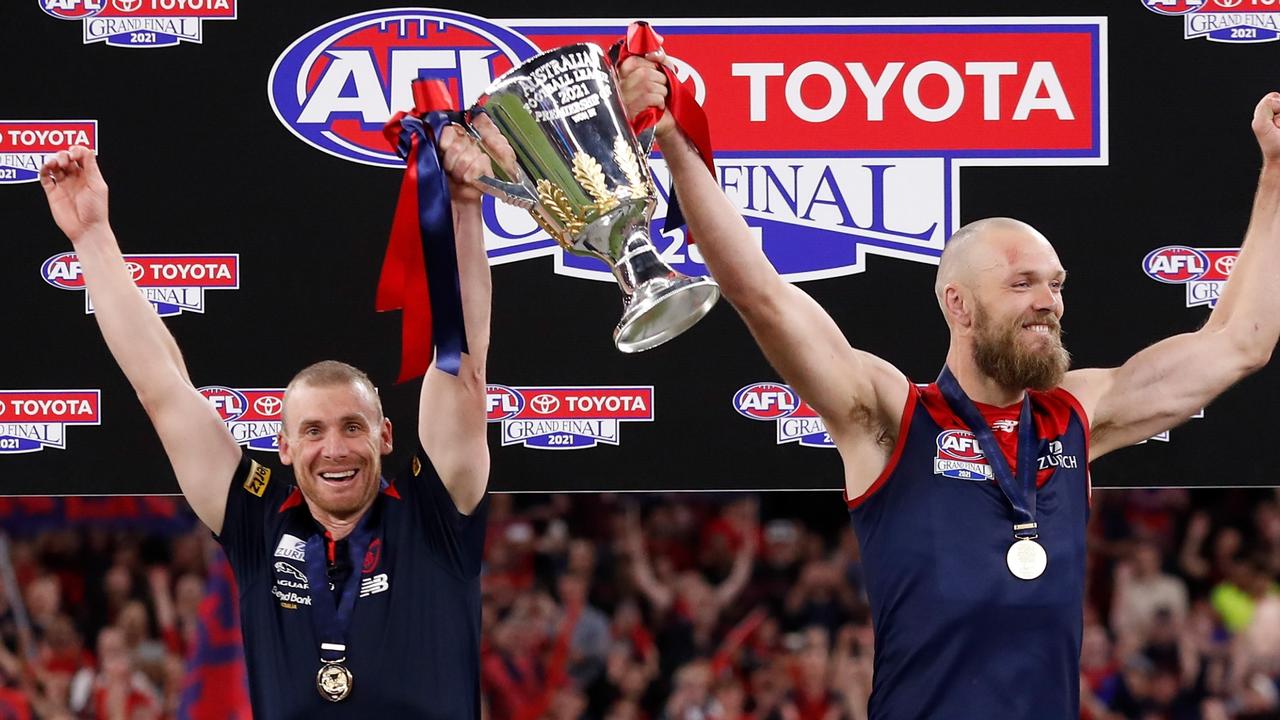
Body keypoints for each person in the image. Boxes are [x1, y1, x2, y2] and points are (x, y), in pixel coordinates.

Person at [619, 54, 1280, 718]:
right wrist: (676, 139)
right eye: (1022, 283)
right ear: (959, 306)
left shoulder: (1079, 414)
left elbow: (1240, 341)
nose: (1049, 300)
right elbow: (761, 295)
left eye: (1056, 284)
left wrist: (1277, 173)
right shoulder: (891, 417)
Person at [38, 116, 511, 718]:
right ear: (283, 447)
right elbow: (162, 388)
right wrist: (91, 237)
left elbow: (463, 366)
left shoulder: (435, 514)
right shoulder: (257, 523)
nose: (334, 448)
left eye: (352, 427)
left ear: (385, 436)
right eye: (312, 431)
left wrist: (464, 210)